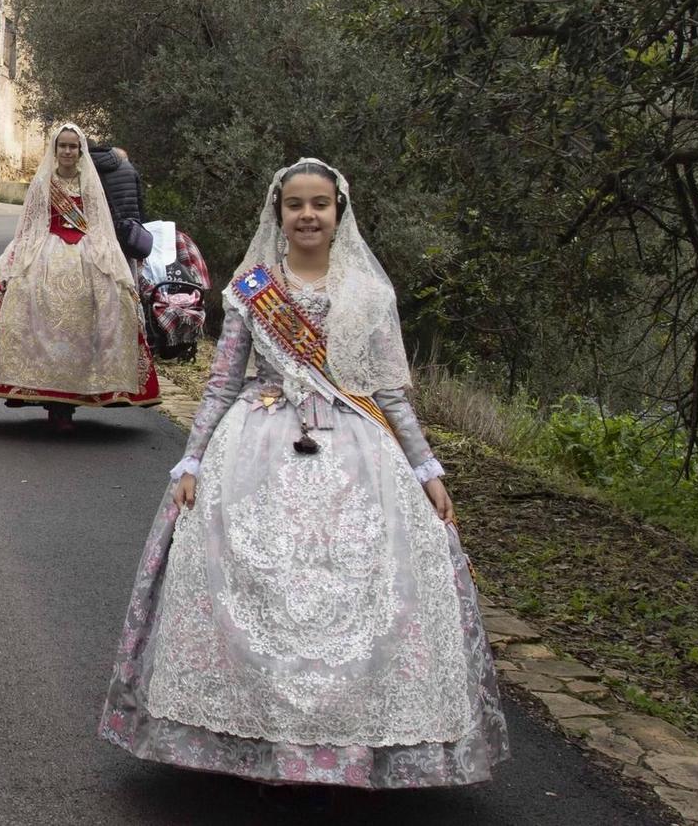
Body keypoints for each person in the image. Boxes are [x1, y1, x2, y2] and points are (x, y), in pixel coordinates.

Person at [99, 159, 507, 787]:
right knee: (248, 582)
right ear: (278, 212)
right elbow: (222, 383)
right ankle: (262, 743)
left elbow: (390, 391)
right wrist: (193, 458)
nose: (308, 215)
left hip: (358, 451)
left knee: (374, 584)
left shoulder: (368, 292)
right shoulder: (251, 288)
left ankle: (350, 747)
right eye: (296, 204)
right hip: (256, 445)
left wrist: (425, 467)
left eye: (320, 204)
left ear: (339, 211)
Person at [0, 124, 158, 428]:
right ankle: (38, 390)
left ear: (80, 151)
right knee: (23, 296)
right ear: (55, 149)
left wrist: (105, 256)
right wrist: (20, 255)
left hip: (86, 253)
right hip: (45, 249)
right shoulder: (44, 182)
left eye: (72, 146)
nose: (67, 151)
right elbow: (31, 223)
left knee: (107, 306)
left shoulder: (89, 182)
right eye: (62, 146)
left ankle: (80, 393)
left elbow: (99, 224)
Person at [90, 139, 148, 268]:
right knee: (128, 274)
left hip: (103, 237)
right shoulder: (128, 167)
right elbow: (140, 203)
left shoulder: (88, 170)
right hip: (130, 233)